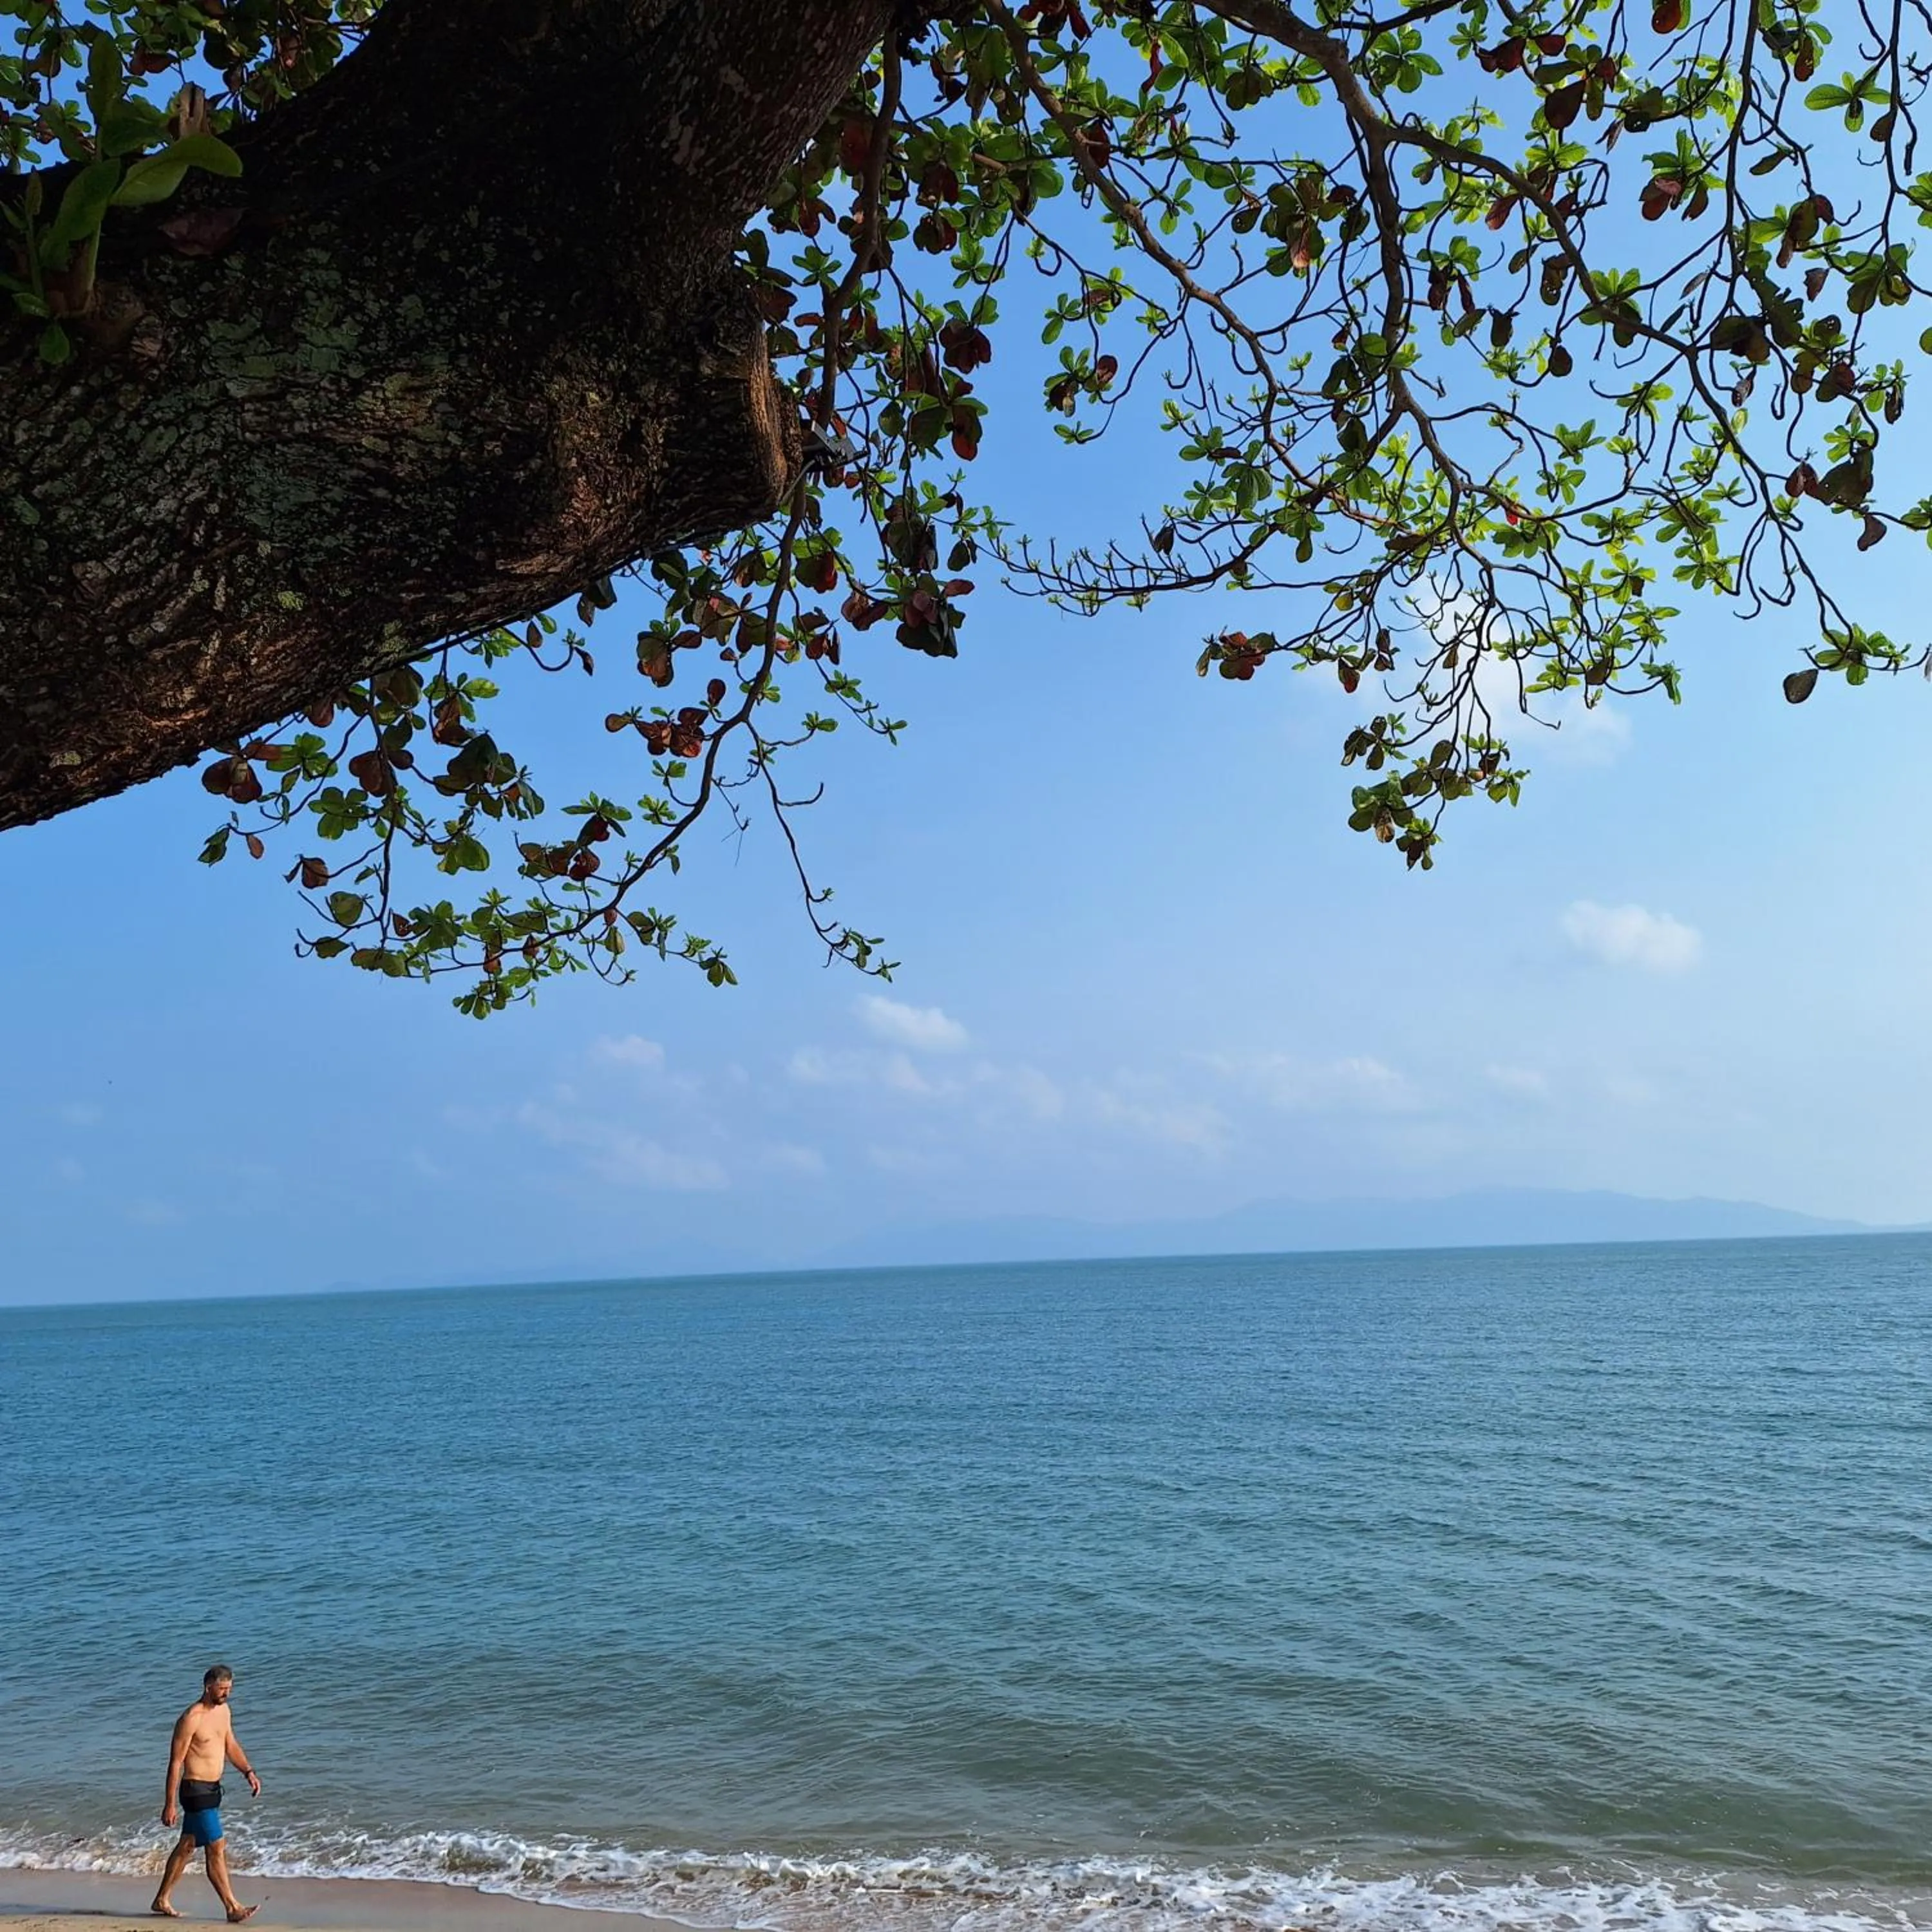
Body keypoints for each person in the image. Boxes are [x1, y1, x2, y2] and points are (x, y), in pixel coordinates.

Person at [151, 1665, 261, 1922]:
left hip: (213, 1790)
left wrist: (248, 1772)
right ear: (207, 1687)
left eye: (229, 1689)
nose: (226, 1694)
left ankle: (161, 1899)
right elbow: (175, 1763)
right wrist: (169, 1804)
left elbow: (230, 1743)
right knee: (216, 1845)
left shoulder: (223, 1711)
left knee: (187, 1846)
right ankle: (232, 1907)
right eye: (222, 1689)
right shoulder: (191, 1718)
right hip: (194, 1790)